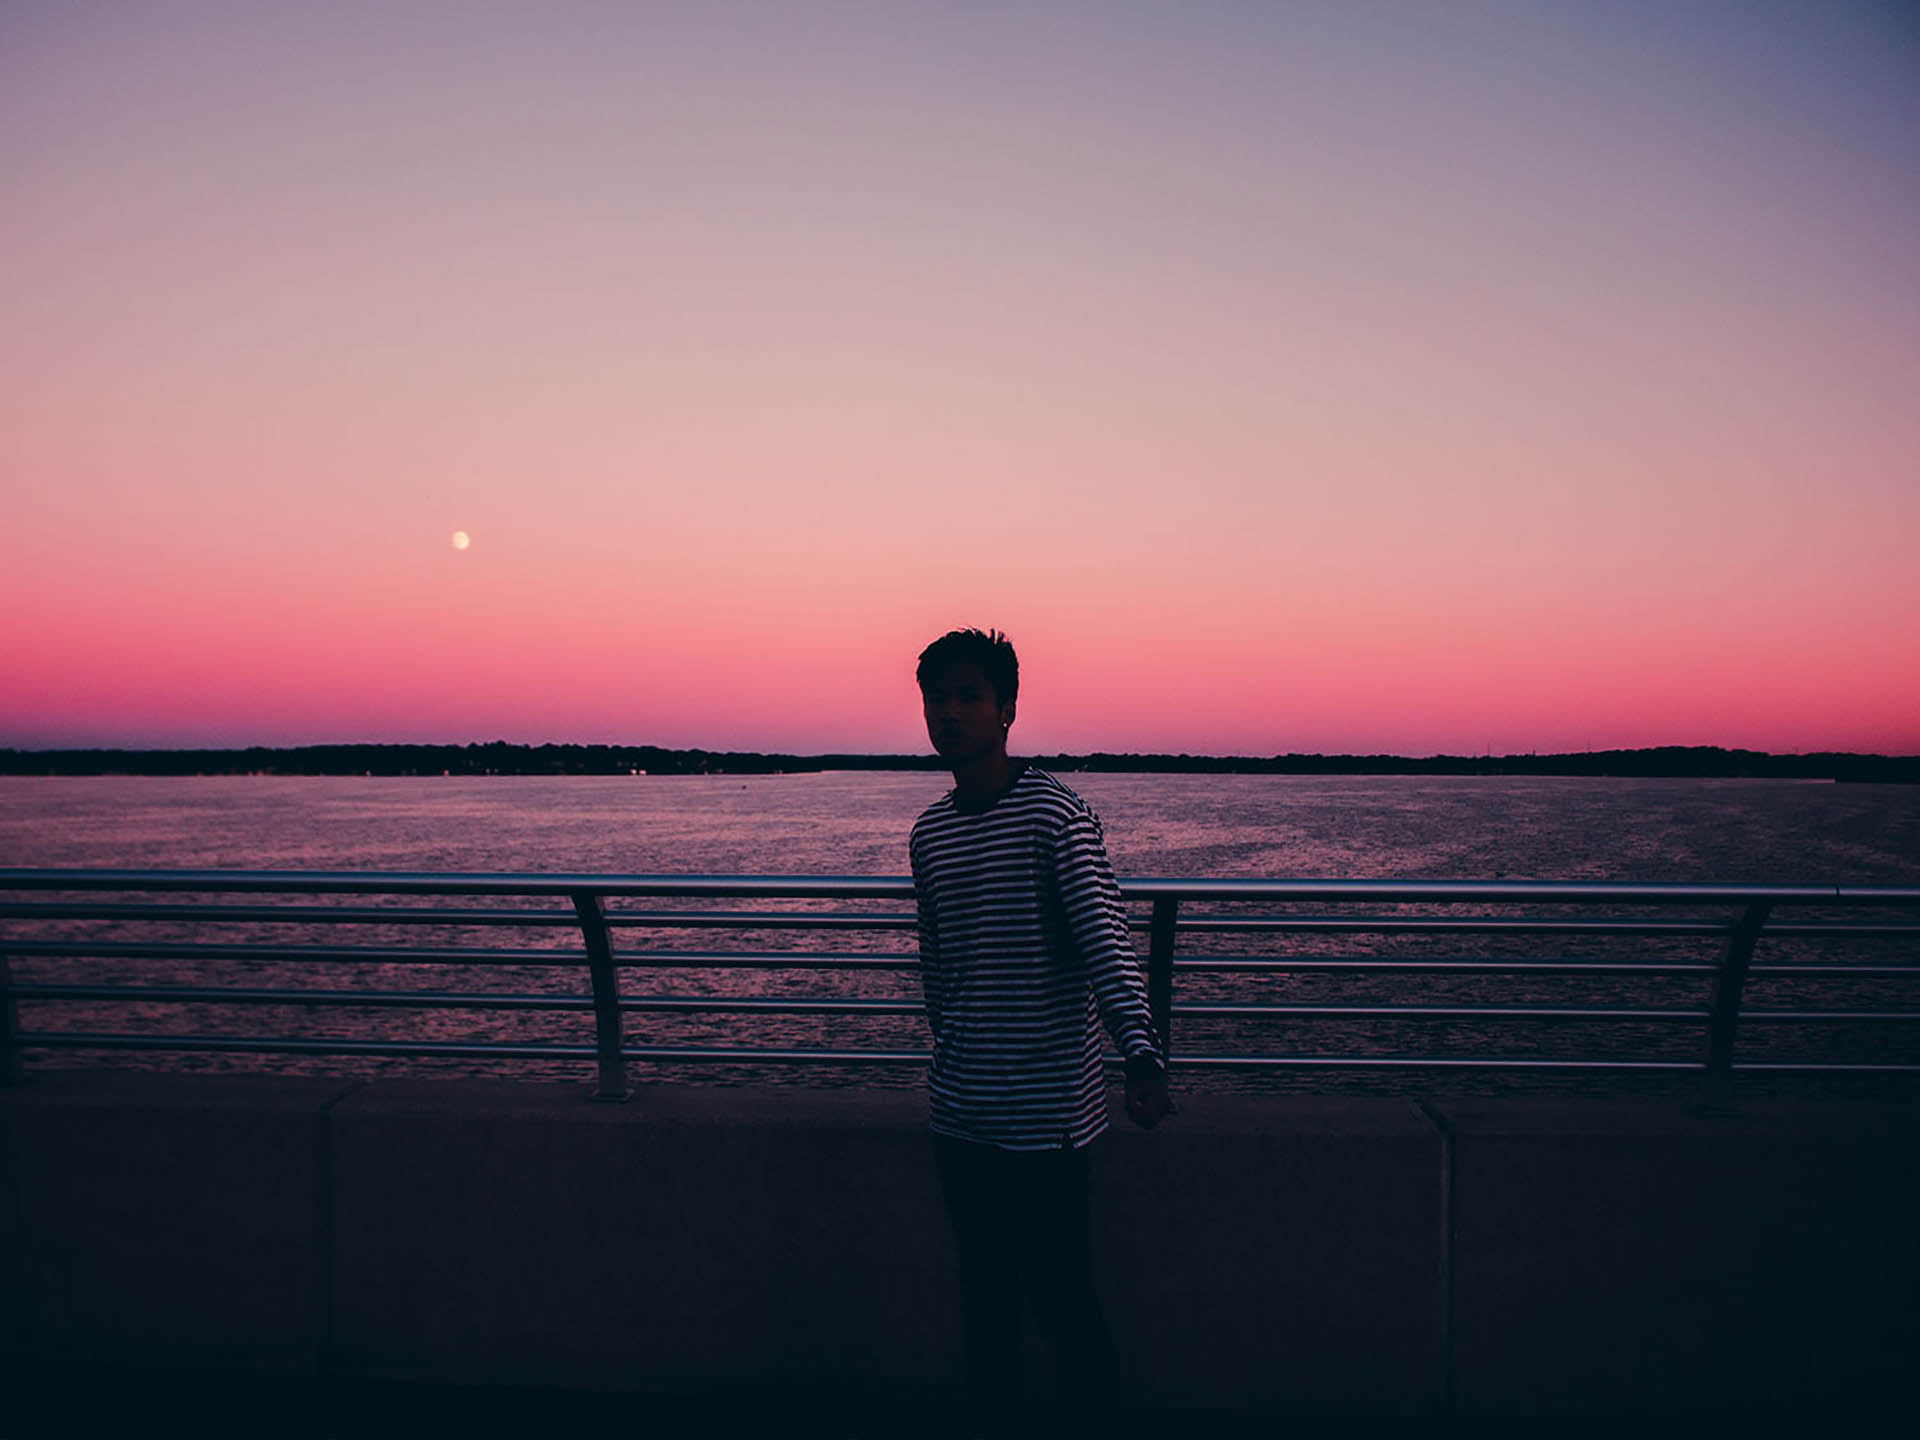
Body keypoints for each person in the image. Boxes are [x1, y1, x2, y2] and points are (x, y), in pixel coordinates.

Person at [908, 626, 1172, 1431]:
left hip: (1048, 1120)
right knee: (984, 1302)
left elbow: (1103, 938)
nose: (951, 713)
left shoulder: (1055, 815)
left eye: (969, 696)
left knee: (1064, 1303)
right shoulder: (930, 833)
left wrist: (1140, 1052)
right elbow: (937, 963)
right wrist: (950, 1047)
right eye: (937, 698)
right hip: (961, 1115)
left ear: (1008, 709)